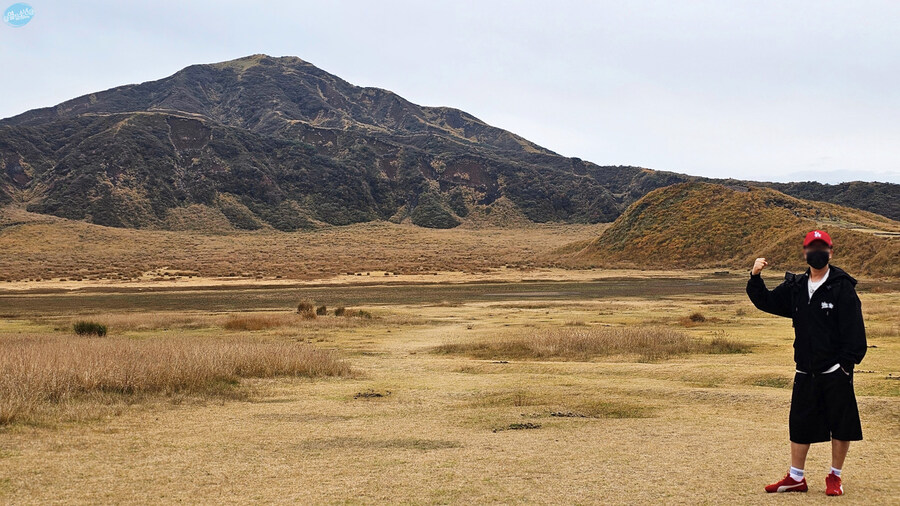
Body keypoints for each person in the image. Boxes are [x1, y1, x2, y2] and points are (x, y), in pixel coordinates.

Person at [746, 229, 867, 496]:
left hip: (835, 371)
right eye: (812, 248)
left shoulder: (842, 286)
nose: (817, 252)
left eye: (822, 248)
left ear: (831, 252)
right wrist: (755, 276)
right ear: (804, 253)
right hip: (805, 370)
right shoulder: (796, 287)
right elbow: (765, 301)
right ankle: (796, 477)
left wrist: (845, 366)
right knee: (799, 423)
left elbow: (855, 333)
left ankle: (835, 477)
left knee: (840, 423)